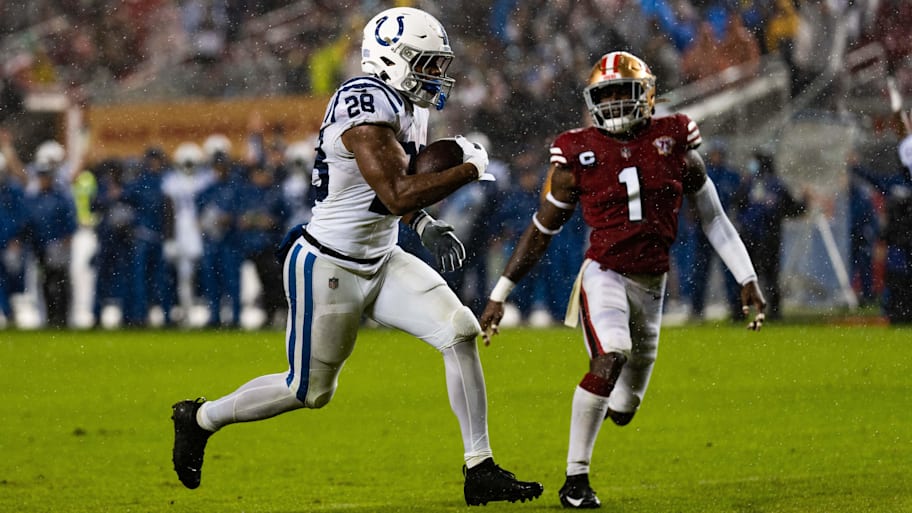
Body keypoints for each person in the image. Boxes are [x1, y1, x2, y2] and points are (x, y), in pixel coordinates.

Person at [170, 7, 543, 506]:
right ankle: (200, 419)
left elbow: (381, 190)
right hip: (329, 264)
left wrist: (422, 224)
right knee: (309, 391)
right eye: (427, 63)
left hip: (382, 256)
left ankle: (480, 468)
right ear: (392, 59)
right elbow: (395, 191)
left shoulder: (409, 105)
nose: (437, 74)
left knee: (459, 330)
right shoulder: (362, 101)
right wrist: (470, 169)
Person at [478, 51, 766, 509]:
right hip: (604, 274)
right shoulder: (577, 153)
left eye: (622, 92)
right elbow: (541, 229)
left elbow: (713, 218)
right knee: (611, 354)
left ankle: (605, 406)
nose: (613, 103)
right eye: (605, 95)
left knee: (625, 408)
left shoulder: (674, 140)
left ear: (646, 95)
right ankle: (575, 480)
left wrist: (746, 277)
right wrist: (500, 293)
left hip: (653, 286)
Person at [732, 150, 808, 321]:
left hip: (755, 237)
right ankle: (771, 312)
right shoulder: (771, 184)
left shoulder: (754, 184)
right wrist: (804, 202)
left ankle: (742, 311)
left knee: (750, 275)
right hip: (766, 237)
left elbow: (737, 205)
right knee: (768, 275)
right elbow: (792, 209)